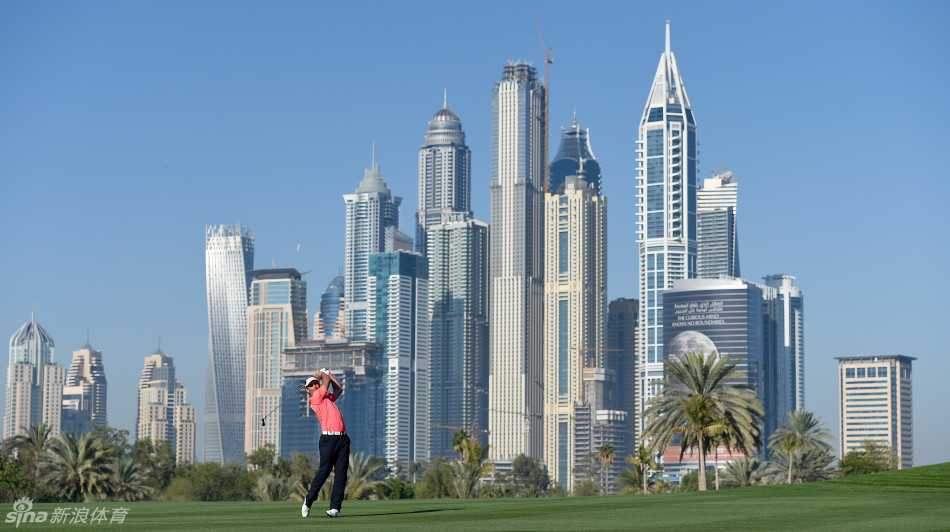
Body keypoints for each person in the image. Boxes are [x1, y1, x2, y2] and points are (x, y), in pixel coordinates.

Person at [301, 368, 349, 519]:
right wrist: (321, 374)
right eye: (311, 385)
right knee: (324, 472)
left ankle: (335, 508)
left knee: (341, 473)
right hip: (328, 440)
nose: (315, 385)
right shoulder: (315, 399)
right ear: (308, 390)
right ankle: (308, 501)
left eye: (315, 383)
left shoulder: (326, 397)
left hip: (342, 439)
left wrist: (327, 372)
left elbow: (338, 389)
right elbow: (326, 382)